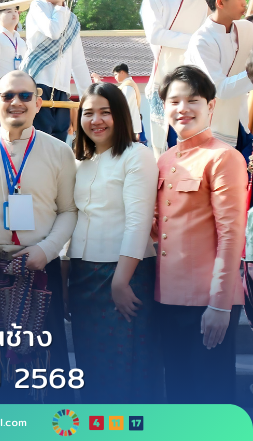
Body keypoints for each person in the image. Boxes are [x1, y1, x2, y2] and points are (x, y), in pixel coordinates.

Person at [0, 69, 77, 403]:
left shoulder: (59, 151)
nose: (16, 102)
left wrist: (47, 250)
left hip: (42, 266)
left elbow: (69, 211)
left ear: (38, 103)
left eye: (25, 96)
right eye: (8, 95)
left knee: (46, 367)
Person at [154, 65, 246, 404]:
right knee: (179, 392)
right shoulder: (164, 160)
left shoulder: (224, 157)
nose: (183, 109)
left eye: (193, 100)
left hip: (207, 301)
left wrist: (220, 304)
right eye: (174, 101)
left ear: (211, 106)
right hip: (167, 298)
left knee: (210, 393)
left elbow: (231, 234)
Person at [67, 82, 161, 404]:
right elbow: (74, 218)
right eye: (88, 113)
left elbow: (138, 222)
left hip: (125, 273)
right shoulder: (81, 161)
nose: (96, 120)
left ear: (120, 115)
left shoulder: (137, 155)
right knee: (91, 365)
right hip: (83, 275)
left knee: (126, 365)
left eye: (105, 112)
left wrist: (120, 282)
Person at [141, 0, 207, 158]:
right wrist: (195, 40)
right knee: (168, 141)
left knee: (196, 138)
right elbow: (155, 35)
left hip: (196, 73)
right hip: (165, 74)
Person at [23, 0, 95, 141]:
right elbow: (53, 31)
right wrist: (59, 6)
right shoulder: (38, 6)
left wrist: (89, 96)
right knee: (40, 139)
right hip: (38, 83)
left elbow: (78, 61)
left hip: (62, 88)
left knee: (59, 140)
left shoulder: (71, 19)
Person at [185, 0, 253, 158]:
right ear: (220, 2)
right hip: (212, 128)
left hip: (241, 122)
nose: (244, 3)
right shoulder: (201, 41)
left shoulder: (246, 28)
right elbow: (220, 89)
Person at [110, 63, 144, 142]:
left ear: (122, 72)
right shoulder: (128, 85)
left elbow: (123, 105)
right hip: (130, 124)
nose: (115, 77)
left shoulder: (128, 87)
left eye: (116, 74)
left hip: (128, 125)